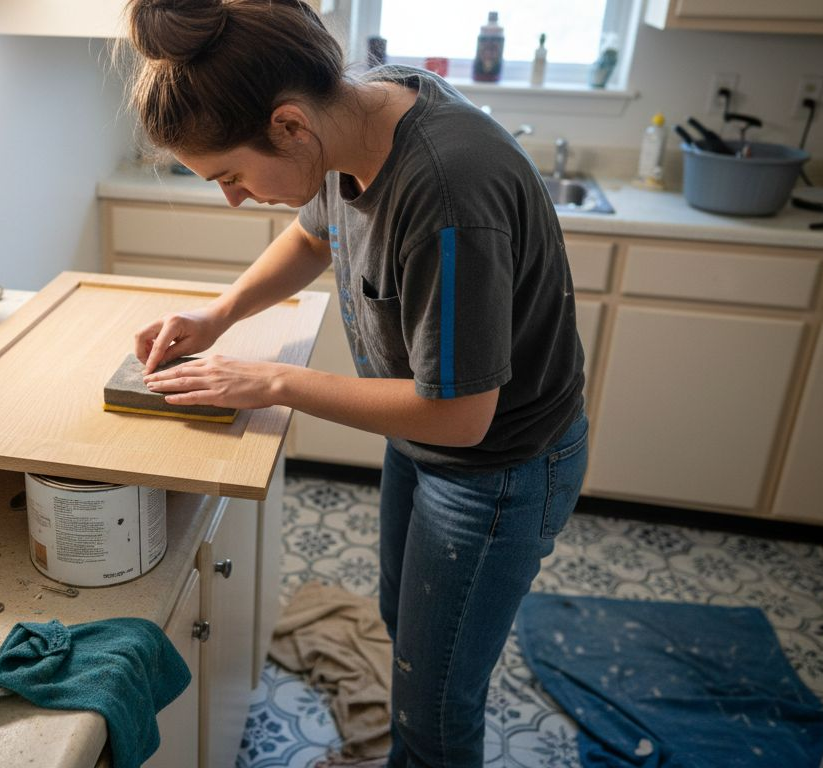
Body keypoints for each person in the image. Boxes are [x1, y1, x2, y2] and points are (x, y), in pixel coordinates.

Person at [122, 1, 588, 765]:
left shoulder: (446, 191)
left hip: (498, 470)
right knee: (406, 634)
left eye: (231, 175)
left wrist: (275, 380)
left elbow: (463, 417)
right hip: (424, 441)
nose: (232, 197)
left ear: (289, 127)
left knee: (438, 707)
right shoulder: (358, 112)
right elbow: (314, 234)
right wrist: (219, 314)